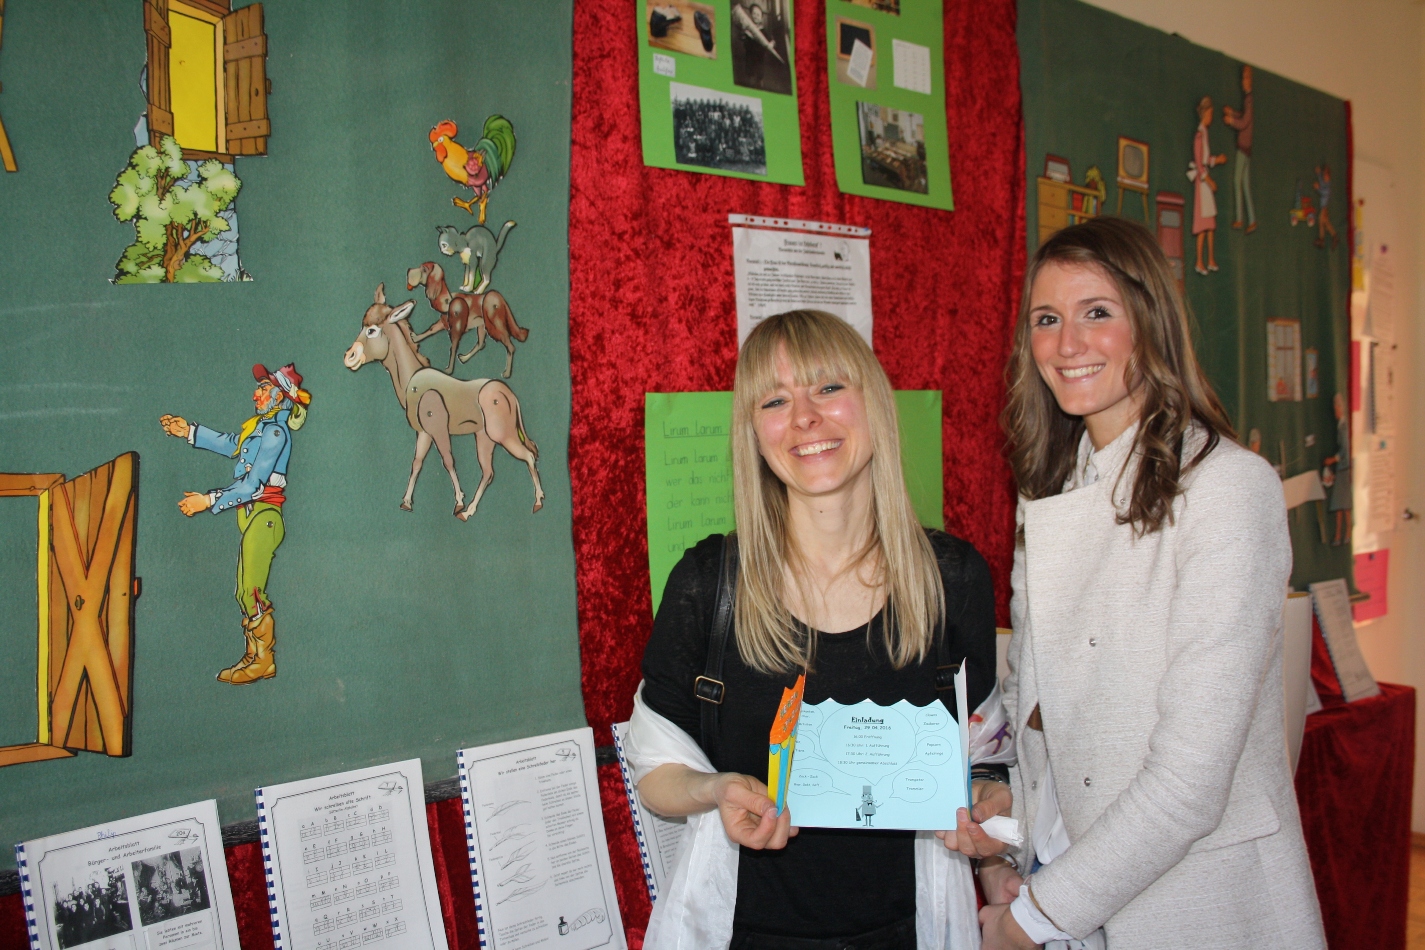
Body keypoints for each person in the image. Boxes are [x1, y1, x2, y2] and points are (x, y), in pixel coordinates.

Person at [980, 216, 1325, 950]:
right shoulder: (1048, 489)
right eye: (1046, 319)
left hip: (1199, 901)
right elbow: (1037, 711)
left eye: (1096, 312)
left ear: (1150, 323)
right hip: (1069, 885)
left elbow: (1189, 783)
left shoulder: (1227, 488)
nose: (1067, 344)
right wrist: (1014, 842)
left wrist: (1030, 921)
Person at [625, 310, 1012, 950]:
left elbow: (986, 752)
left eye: (828, 387)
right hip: (741, 934)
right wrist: (714, 788)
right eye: (775, 400)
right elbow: (657, 767)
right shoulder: (707, 584)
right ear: (754, 434)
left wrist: (984, 801)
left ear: (874, 404)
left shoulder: (954, 580)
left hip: (912, 931)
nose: (804, 417)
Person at [161, 363, 311, 684]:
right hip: (251, 514)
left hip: (265, 515)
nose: (256, 394)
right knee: (244, 591)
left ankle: (263, 660)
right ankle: (253, 655)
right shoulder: (259, 428)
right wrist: (188, 431)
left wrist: (208, 500)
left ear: (280, 396)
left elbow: (253, 485)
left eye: (263, 388)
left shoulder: (274, 433)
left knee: (252, 590)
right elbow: (231, 444)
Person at [1191, 96, 1226, 275]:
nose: (1211, 117)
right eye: (1210, 113)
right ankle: (1199, 261)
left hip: (1206, 182)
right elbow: (1199, 163)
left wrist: (1217, 160)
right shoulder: (1199, 135)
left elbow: (1206, 159)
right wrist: (1209, 180)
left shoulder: (1205, 133)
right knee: (1203, 225)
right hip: (1202, 183)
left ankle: (1210, 259)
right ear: (1204, 113)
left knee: (1210, 224)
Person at [1222, 65, 1256, 233]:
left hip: (1243, 147)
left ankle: (1239, 218)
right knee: (1245, 184)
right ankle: (1251, 220)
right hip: (1246, 147)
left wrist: (1231, 121)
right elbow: (1243, 116)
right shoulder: (1247, 99)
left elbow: (1244, 122)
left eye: (1246, 78)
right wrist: (1233, 113)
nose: (1244, 81)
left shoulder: (1249, 100)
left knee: (1237, 181)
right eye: (1243, 78)